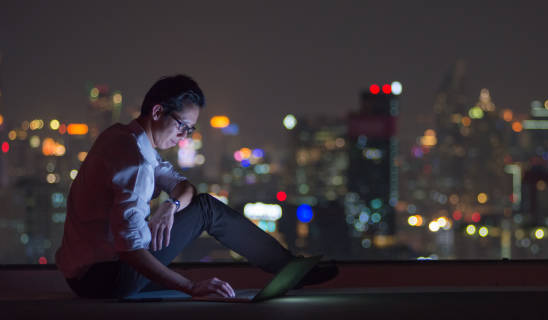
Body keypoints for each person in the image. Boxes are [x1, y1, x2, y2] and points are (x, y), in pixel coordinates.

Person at [56, 74, 337, 299]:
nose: (184, 137)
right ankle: (290, 269)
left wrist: (170, 206)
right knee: (207, 210)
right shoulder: (137, 161)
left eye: (190, 130)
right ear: (157, 111)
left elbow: (183, 186)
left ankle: (290, 268)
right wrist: (191, 288)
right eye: (182, 126)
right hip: (107, 278)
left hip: (83, 277)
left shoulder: (122, 138)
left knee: (198, 205)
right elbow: (130, 250)